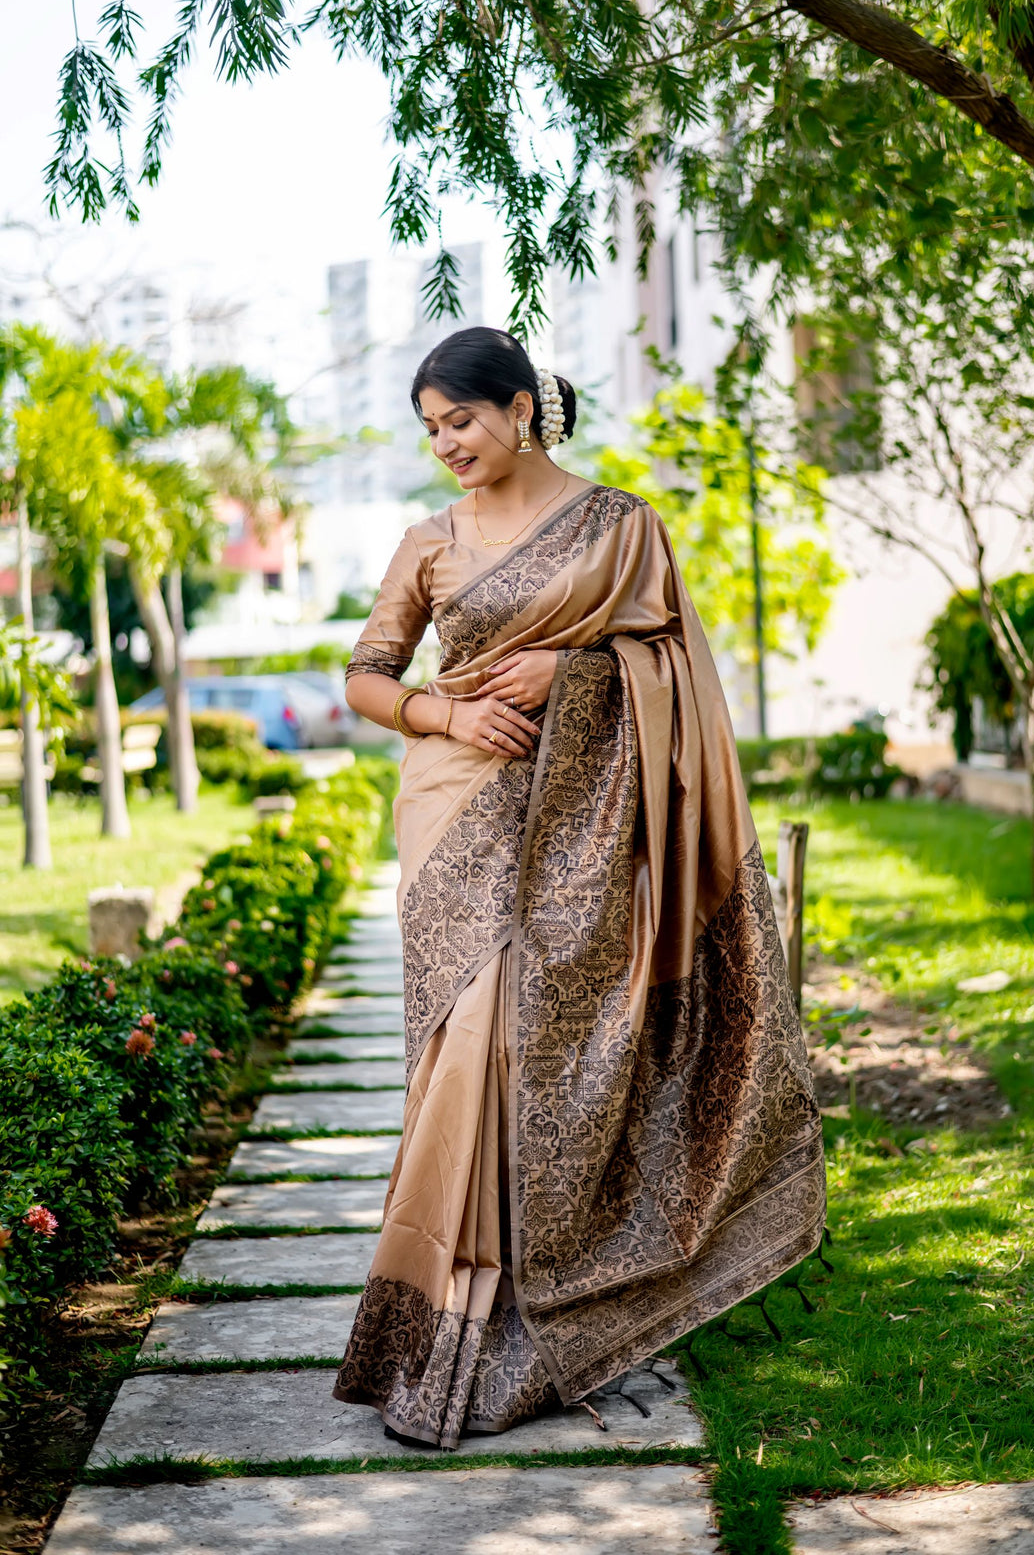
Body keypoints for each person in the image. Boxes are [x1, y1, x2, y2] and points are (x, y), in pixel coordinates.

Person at [332, 325, 826, 1450]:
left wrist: (580, 667)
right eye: (430, 430)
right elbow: (368, 674)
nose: (447, 444)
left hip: (595, 818)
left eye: (460, 420)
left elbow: (675, 663)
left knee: (538, 1045)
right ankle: (448, 1318)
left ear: (518, 408)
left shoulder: (622, 526)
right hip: (459, 805)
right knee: (470, 1045)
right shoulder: (428, 540)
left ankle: (538, 1300)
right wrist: (444, 710)